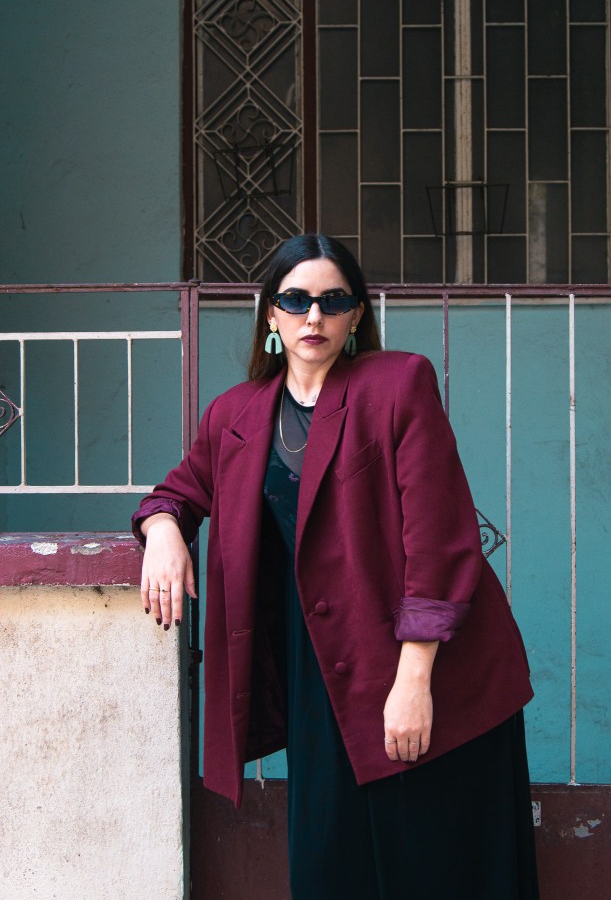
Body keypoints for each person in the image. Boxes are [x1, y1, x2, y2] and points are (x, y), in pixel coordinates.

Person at [132, 234, 539, 899]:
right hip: (317, 674)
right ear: (271, 313)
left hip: (423, 663)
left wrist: (414, 683)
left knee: (438, 866)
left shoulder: (397, 384)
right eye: (295, 300)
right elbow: (177, 492)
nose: (313, 316)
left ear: (355, 315)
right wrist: (162, 531)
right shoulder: (235, 414)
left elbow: (439, 539)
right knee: (331, 865)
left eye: (332, 301)